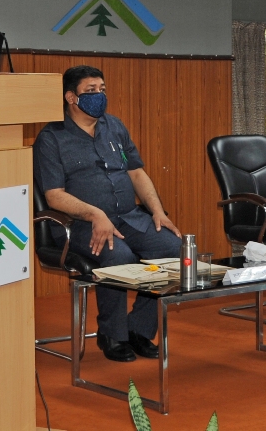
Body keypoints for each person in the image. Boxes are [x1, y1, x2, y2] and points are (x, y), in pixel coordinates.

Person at [34, 66, 182, 362]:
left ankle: (139, 328)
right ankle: (112, 334)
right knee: (119, 256)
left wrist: (157, 211)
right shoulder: (51, 137)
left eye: (102, 89)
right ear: (71, 97)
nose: (99, 95)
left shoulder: (114, 126)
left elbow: (136, 172)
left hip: (129, 217)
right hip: (80, 224)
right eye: (90, 91)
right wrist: (94, 214)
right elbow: (54, 195)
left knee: (171, 247)